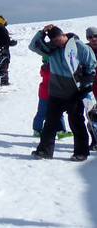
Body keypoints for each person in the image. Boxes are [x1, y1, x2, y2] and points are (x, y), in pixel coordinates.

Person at [29, 25, 96, 161]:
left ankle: (81, 152)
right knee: (50, 123)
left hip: (75, 92)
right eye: (54, 41)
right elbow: (33, 46)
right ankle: (44, 151)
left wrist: (86, 81)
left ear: (64, 35)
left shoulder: (79, 47)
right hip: (56, 92)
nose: (57, 42)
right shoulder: (51, 49)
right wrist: (42, 32)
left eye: (58, 39)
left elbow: (92, 64)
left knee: (76, 122)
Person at [32, 57, 67, 137]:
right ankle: (59, 130)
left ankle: (59, 130)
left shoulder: (46, 68)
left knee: (45, 112)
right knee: (48, 112)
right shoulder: (50, 69)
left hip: (47, 94)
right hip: (49, 94)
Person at [86, 27, 97, 150]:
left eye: (96, 36)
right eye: (90, 37)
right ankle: (95, 140)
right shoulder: (85, 50)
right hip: (89, 89)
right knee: (91, 117)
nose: (93, 39)